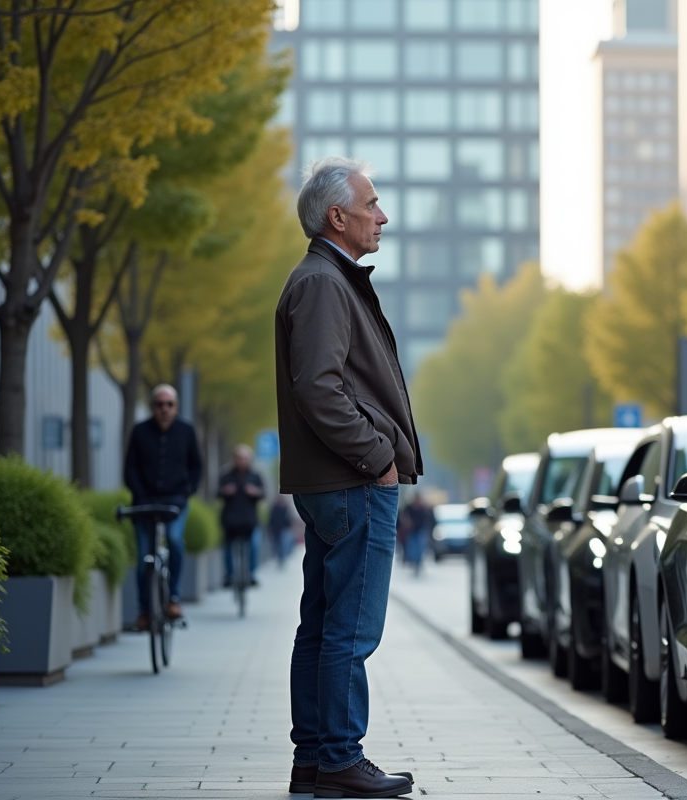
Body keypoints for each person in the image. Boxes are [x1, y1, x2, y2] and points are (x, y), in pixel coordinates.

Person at [276, 156, 422, 799]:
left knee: (323, 623)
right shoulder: (323, 284)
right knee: (350, 631)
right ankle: (339, 758)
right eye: (372, 204)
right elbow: (321, 388)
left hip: (337, 482)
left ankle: (314, 759)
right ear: (338, 216)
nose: (382, 215)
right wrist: (377, 458)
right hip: (351, 483)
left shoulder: (325, 280)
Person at [123, 384, 202, 629]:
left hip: (176, 500)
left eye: (169, 404)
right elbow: (130, 468)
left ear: (176, 406)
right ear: (152, 407)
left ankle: (173, 599)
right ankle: (144, 611)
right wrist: (140, 493)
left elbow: (196, 466)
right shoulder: (139, 431)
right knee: (144, 557)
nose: (164, 409)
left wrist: (188, 490)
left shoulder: (187, 431)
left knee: (174, 540)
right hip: (144, 502)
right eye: (159, 404)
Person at [218, 444, 265, 588]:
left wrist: (255, 492)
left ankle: (251, 574)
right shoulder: (226, 475)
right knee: (226, 547)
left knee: (255, 544)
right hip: (230, 520)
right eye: (239, 458)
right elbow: (217, 493)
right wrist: (225, 491)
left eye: (245, 458)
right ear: (234, 459)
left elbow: (263, 494)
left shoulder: (255, 476)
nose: (242, 461)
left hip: (249, 520)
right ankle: (229, 575)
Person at [402, 494, 435, 576]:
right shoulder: (409, 507)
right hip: (411, 530)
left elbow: (429, 518)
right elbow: (404, 516)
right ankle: (414, 562)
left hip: (421, 530)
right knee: (412, 548)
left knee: (420, 547)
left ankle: (419, 562)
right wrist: (407, 522)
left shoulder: (423, 508)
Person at [267, 494, 294, 568]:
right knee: (276, 544)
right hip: (275, 529)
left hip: (284, 529)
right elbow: (271, 519)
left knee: (282, 544)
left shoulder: (286, 508)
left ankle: (282, 558)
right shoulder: (274, 508)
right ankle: (279, 557)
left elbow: (289, 520)